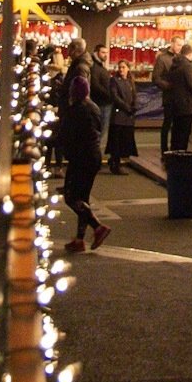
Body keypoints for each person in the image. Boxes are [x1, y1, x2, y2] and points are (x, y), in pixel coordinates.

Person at [59, 60, 109, 252]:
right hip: (93, 155)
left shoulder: (74, 111)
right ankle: (79, 239)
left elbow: (65, 135)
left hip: (80, 157)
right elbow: (98, 128)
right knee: (83, 197)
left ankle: (98, 227)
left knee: (71, 197)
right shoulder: (93, 107)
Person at [162, 42, 192, 152]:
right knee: (184, 132)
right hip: (186, 104)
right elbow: (190, 85)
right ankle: (181, 156)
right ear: (191, 54)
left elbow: (179, 81)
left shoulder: (175, 64)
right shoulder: (187, 65)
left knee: (176, 131)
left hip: (176, 102)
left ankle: (174, 154)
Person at [105, 61, 138, 173]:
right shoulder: (114, 80)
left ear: (128, 68)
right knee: (116, 141)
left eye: (123, 67)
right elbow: (115, 96)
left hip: (128, 116)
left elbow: (134, 95)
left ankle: (116, 160)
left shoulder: (130, 81)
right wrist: (126, 107)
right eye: (120, 67)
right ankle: (115, 162)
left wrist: (134, 106)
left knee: (124, 140)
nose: (121, 69)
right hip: (119, 116)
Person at [151, 45, 175, 152]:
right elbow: (156, 78)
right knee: (167, 123)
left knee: (177, 125)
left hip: (180, 97)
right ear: (173, 44)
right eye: (178, 44)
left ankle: (175, 148)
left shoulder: (180, 58)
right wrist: (168, 86)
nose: (180, 47)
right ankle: (164, 149)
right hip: (169, 97)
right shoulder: (162, 58)